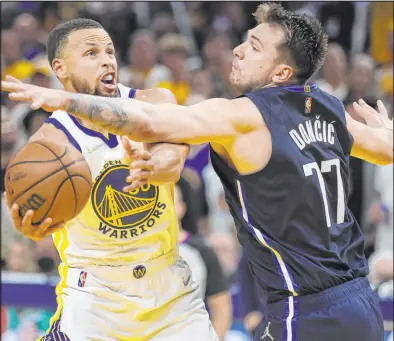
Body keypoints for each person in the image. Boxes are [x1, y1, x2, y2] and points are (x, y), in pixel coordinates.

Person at [3, 4, 393, 341]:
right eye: (92, 53)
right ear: (60, 66)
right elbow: (386, 150)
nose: (238, 51)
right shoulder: (328, 106)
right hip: (359, 297)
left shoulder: (238, 114)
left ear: (280, 73)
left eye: (253, 47)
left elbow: (157, 129)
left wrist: (66, 99)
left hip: (291, 306)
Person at [2, 18, 219, 341]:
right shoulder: (50, 144)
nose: (107, 59)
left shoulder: (154, 101)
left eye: (109, 51)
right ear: (60, 68)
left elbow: (173, 159)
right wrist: (30, 224)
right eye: (91, 53)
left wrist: (152, 167)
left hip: (170, 295)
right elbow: (38, 223)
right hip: (95, 300)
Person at [174, 180, 232, 340]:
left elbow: (221, 305)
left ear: (181, 208)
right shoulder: (140, 253)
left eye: (169, 201)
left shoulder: (202, 252)